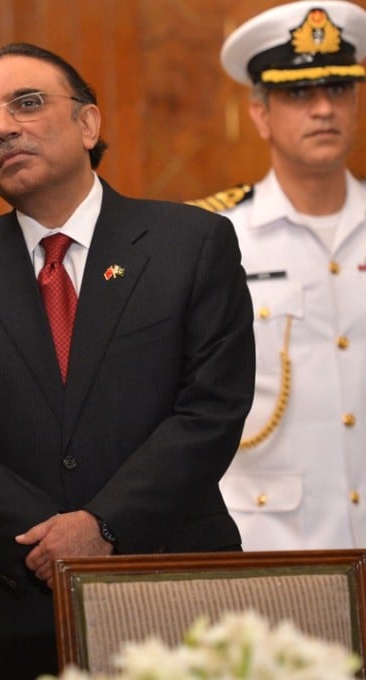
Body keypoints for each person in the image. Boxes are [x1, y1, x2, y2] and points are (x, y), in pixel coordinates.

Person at [0, 42, 256, 678]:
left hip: (170, 579)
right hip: (6, 597)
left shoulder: (191, 244)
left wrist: (105, 525)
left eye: (26, 104)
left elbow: (211, 411)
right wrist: (49, 540)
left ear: (89, 123)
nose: (2, 127)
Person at [189, 1, 366, 551]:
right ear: (260, 114)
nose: (322, 109)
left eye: (338, 90)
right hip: (273, 540)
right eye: (297, 94)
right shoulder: (214, 237)